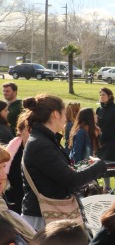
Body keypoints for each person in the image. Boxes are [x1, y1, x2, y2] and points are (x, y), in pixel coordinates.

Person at [21, 95, 106, 231]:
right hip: (43, 217)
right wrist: (99, 166)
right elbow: (71, 180)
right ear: (55, 114)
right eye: (64, 113)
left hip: (48, 215)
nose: (66, 118)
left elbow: (62, 173)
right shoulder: (41, 144)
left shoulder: (44, 140)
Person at [3, 114, 29, 214]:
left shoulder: (41, 149)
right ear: (20, 131)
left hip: (30, 202)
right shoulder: (13, 149)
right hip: (15, 201)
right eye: (29, 130)